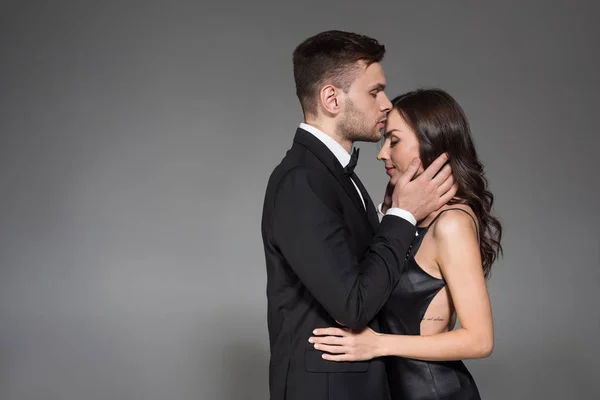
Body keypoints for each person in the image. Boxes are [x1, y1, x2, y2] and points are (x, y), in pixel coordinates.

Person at [260, 31, 458, 400]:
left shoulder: (333, 176)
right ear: (331, 98)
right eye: (374, 92)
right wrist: (403, 215)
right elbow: (352, 305)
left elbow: (368, 275)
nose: (386, 104)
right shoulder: (302, 181)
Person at [308, 88, 503, 399]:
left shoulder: (451, 223)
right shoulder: (413, 219)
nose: (382, 153)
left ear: (431, 143)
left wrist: (378, 344)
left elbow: (480, 340)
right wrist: (391, 216)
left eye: (394, 141)